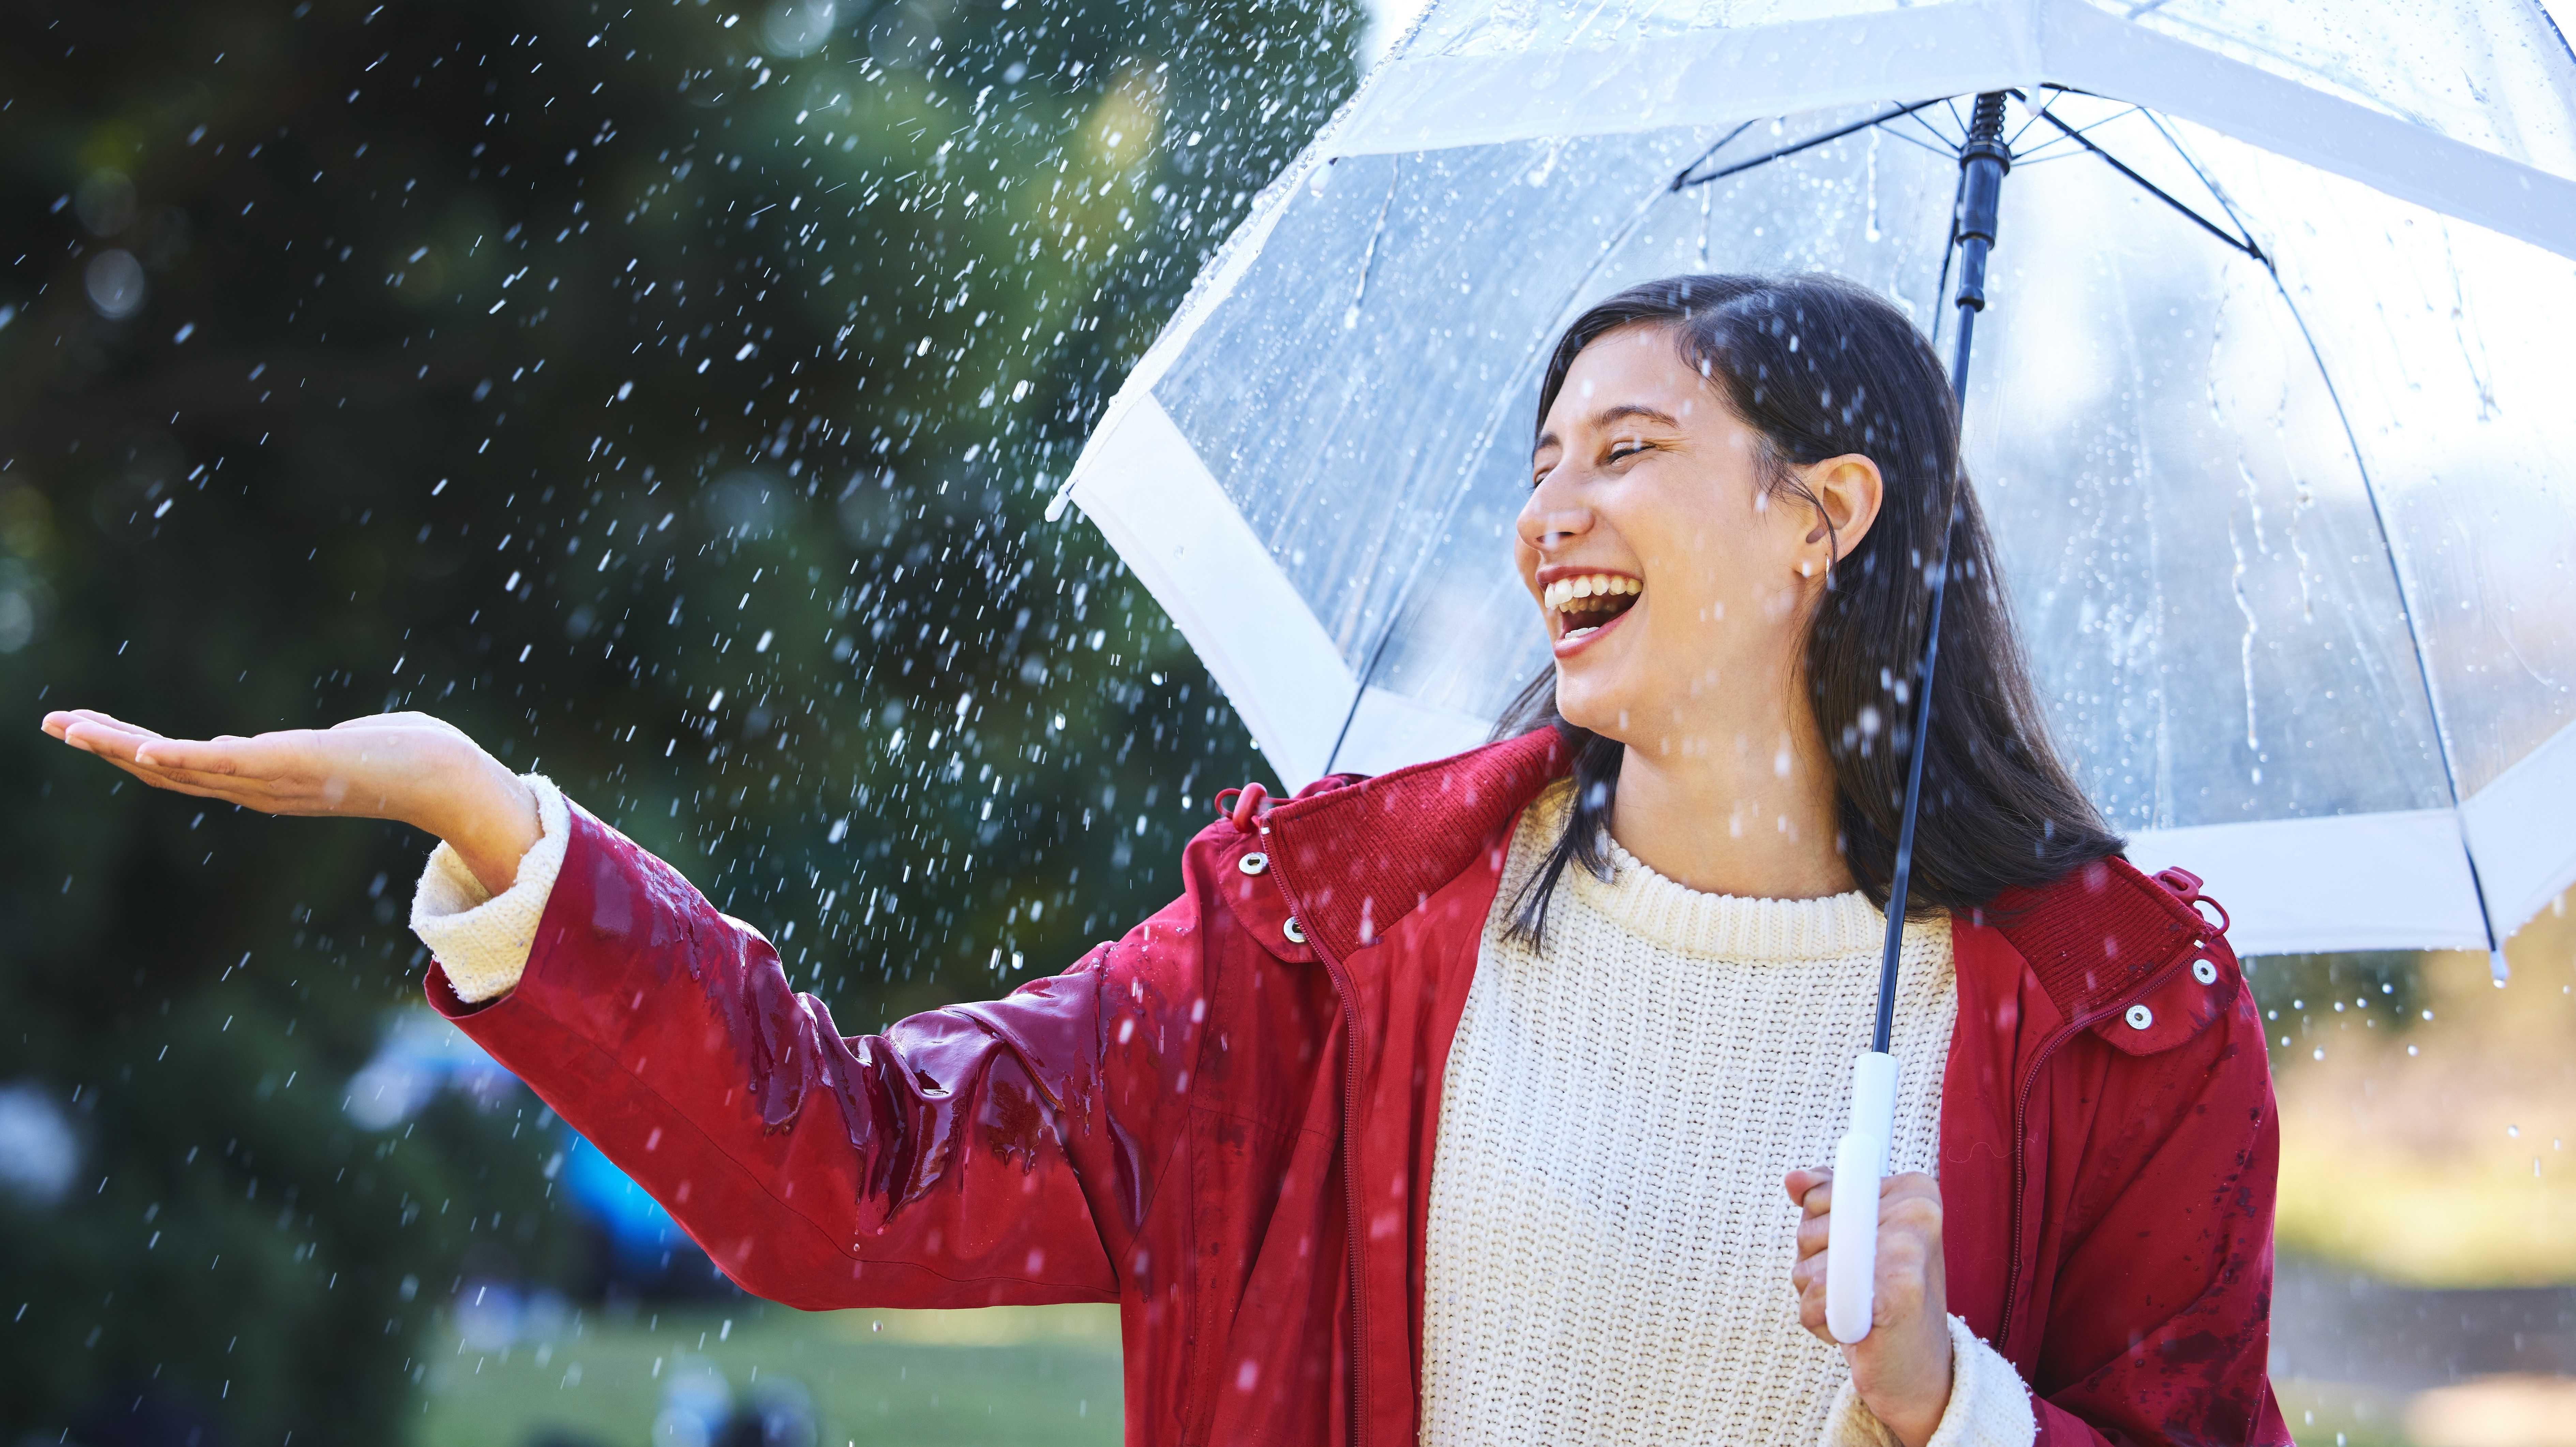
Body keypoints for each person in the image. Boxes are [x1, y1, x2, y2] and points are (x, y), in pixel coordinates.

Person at [43, 273, 2289, 1447]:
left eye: (1631, 450)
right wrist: (500, 829)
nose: (1547, 516)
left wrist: (1939, 1396)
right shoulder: (1337, 949)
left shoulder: (2119, 1026)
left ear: (1825, 514)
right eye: (1538, 463)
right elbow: (862, 1167)